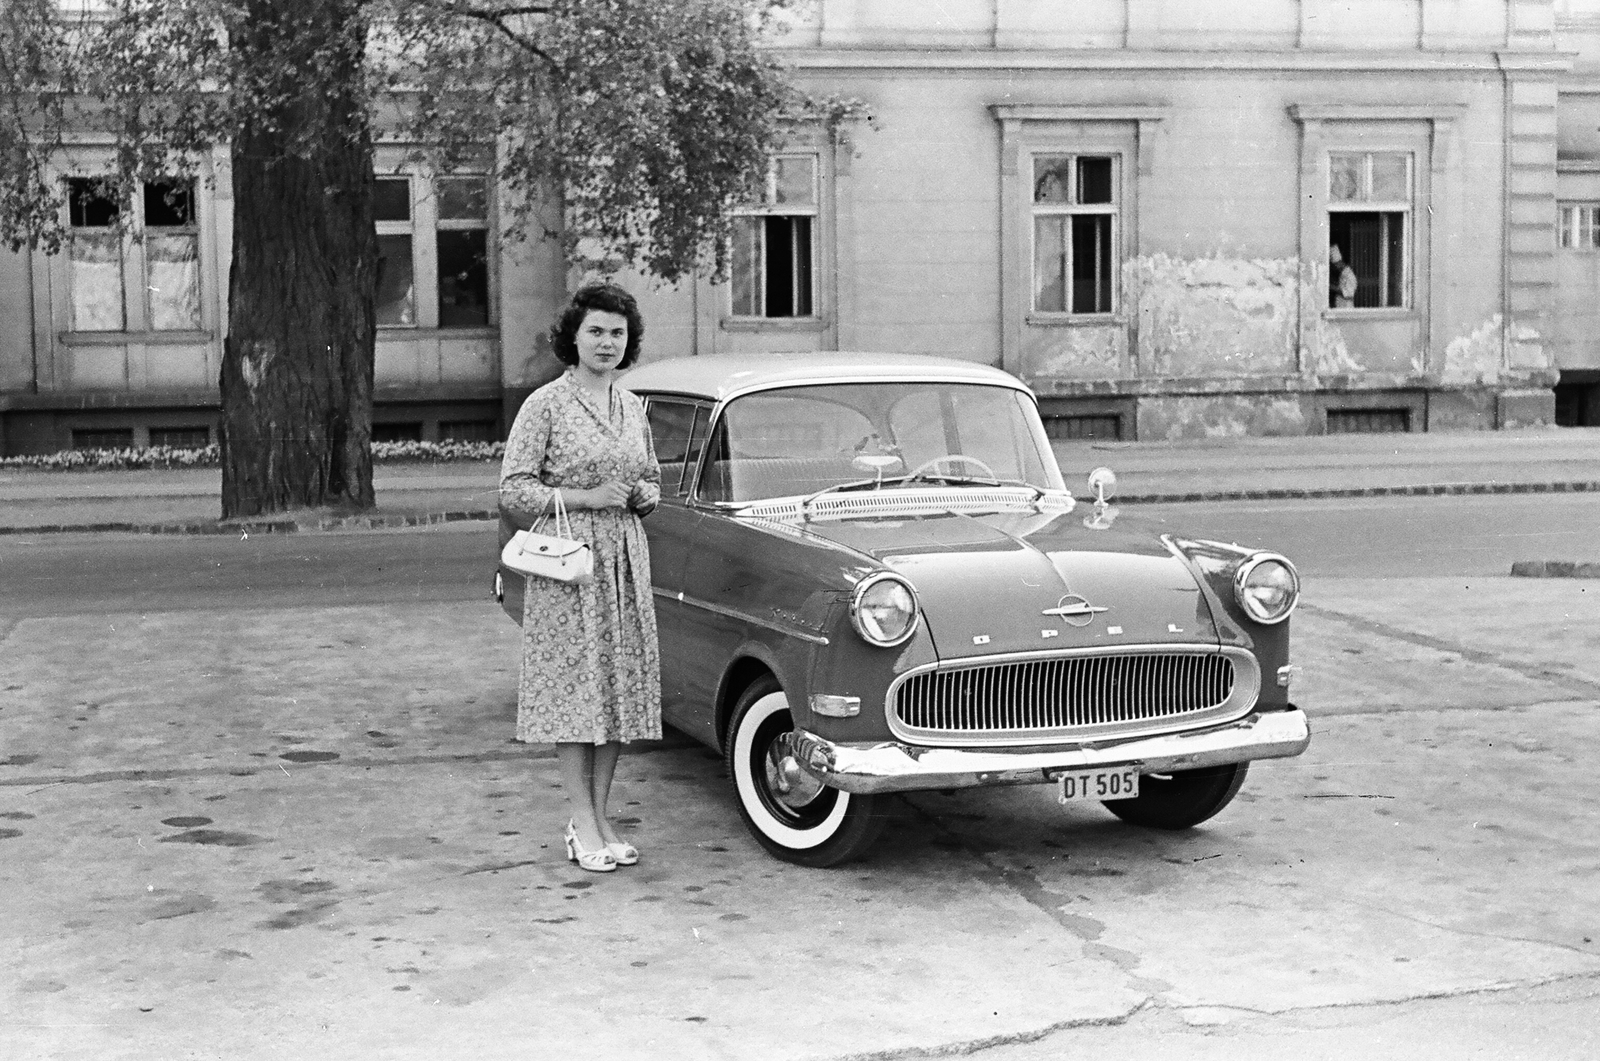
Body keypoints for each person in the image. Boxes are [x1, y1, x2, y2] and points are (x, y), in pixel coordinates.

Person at [500, 282, 662, 873]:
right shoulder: (545, 403)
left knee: (615, 688)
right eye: (595, 330)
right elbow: (514, 488)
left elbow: (649, 477)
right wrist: (587, 495)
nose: (606, 342)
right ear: (573, 336)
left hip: (623, 559)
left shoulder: (632, 405)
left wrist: (644, 495)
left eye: (617, 333)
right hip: (570, 563)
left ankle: (598, 816)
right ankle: (580, 818)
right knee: (575, 691)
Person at [1329, 244, 1358, 309]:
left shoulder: (1349, 275)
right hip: (1340, 306)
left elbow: (1348, 293)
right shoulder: (1342, 274)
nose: (1334, 268)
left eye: (1334, 265)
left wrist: (1330, 286)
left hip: (1346, 307)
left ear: (1338, 264)